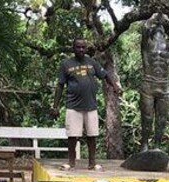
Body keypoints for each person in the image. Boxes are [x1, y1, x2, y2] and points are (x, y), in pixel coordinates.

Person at [51, 38, 121, 171]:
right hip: (73, 106)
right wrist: (55, 106)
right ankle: (71, 163)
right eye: (78, 47)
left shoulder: (92, 62)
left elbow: (105, 75)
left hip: (90, 106)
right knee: (72, 136)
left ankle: (92, 163)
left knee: (92, 135)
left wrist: (115, 86)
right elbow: (60, 85)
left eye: (83, 47)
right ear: (73, 48)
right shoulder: (66, 64)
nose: (81, 50)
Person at [140, 12, 169, 152]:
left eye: (161, 28)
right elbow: (145, 29)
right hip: (148, 83)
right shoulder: (147, 46)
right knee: (147, 117)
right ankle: (144, 144)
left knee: (162, 118)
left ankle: (157, 145)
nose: (159, 29)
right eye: (156, 28)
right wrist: (152, 18)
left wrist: (167, 20)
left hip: (163, 84)